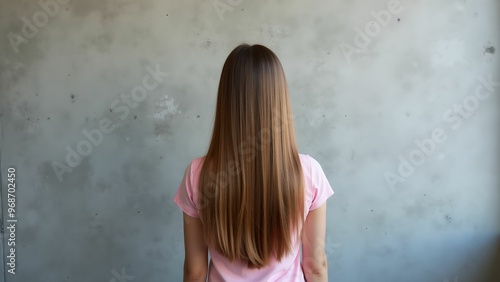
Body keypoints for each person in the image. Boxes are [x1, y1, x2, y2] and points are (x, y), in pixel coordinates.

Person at [173, 43, 334, 282]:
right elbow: (315, 266)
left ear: (226, 100)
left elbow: (194, 272)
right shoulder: (309, 172)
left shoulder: (197, 174)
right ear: (279, 99)